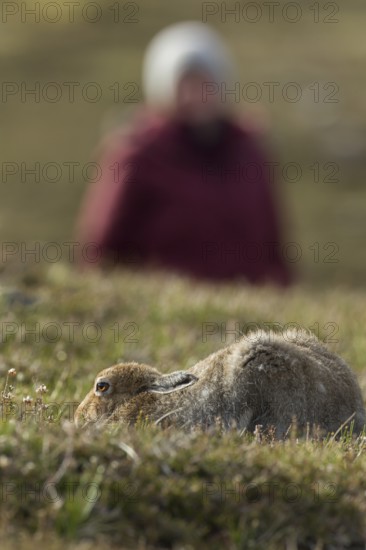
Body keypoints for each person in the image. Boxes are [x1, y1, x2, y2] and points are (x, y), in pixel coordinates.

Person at [75, 21, 292, 285]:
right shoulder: (136, 154)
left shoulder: (249, 149)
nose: (195, 97)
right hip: (166, 306)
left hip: (251, 307)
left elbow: (274, 242)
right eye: (183, 86)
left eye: (204, 85)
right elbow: (101, 248)